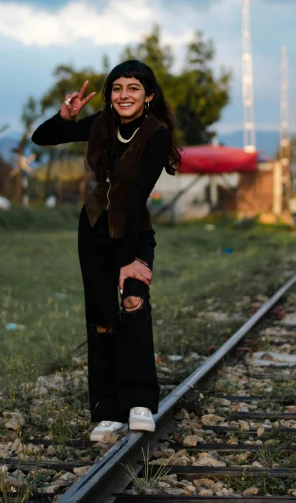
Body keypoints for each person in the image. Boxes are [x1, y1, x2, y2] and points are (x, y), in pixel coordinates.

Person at [31, 60, 181, 442]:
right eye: (117, 88)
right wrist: (65, 116)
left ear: (148, 96)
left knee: (133, 304)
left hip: (133, 234)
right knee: (101, 319)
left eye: (133, 88)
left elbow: (136, 198)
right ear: (110, 95)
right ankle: (107, 409)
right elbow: (41, 138)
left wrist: (131, 258)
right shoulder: (100, 124)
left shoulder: (156, 133)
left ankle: (140, 402)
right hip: (95, 232)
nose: (124, 95)